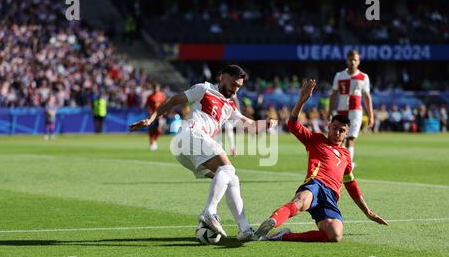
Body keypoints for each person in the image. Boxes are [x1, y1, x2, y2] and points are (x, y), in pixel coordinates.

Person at [130, 65, 268, 241]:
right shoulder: (204, 89)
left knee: (231, 179)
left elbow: (248, 124)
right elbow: (173, 101)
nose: (235, 89)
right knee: (228, 169)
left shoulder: (230, 106)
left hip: (188, 149)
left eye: (239, 86)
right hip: (190, 135)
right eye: (233, 84)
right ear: (222, 77)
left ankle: (245, 230)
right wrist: (151, 118)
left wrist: (269, 123)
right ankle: (209, 212)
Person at [254, 79, 388, 242]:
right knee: (301, 202)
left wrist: (367, 212)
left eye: (342, 130)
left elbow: (351, 185)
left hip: (331, 196)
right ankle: (272, 222)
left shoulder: (346, 156)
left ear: (346, 133)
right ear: (328, 127)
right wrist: (301, 100)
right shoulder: (316, 140)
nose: (337, 132)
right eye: (334, 128)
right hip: (315, 185)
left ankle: (283, 235)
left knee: (335, 235)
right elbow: (292, 125)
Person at [329, 50, 374, 167]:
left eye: (355, 60)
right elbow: (333, 94)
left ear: (358, 61)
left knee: (350, 138)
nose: (353, 62)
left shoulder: (364, 77)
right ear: (346, 60)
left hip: (356, 112)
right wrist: (329, 110)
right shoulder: (339, 76)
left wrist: (371, 115)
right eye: (351, 59)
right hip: (341, 110)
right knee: (340, 139)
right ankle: (341, 163)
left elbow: (367, 96)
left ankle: (347, 166)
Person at [145, 82, 166, 151]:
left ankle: (154, 140)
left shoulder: (161, 95)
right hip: (151, 116)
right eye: (154, 88)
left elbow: (165, 103)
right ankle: (151, 142)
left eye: (157, 88)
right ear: (153, 88)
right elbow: (146, 106)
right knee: (152, 130)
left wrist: (164, 110)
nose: (156, 89)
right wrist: (149, 112)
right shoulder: (150, 97)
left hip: (159, 115)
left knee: (159, 129)